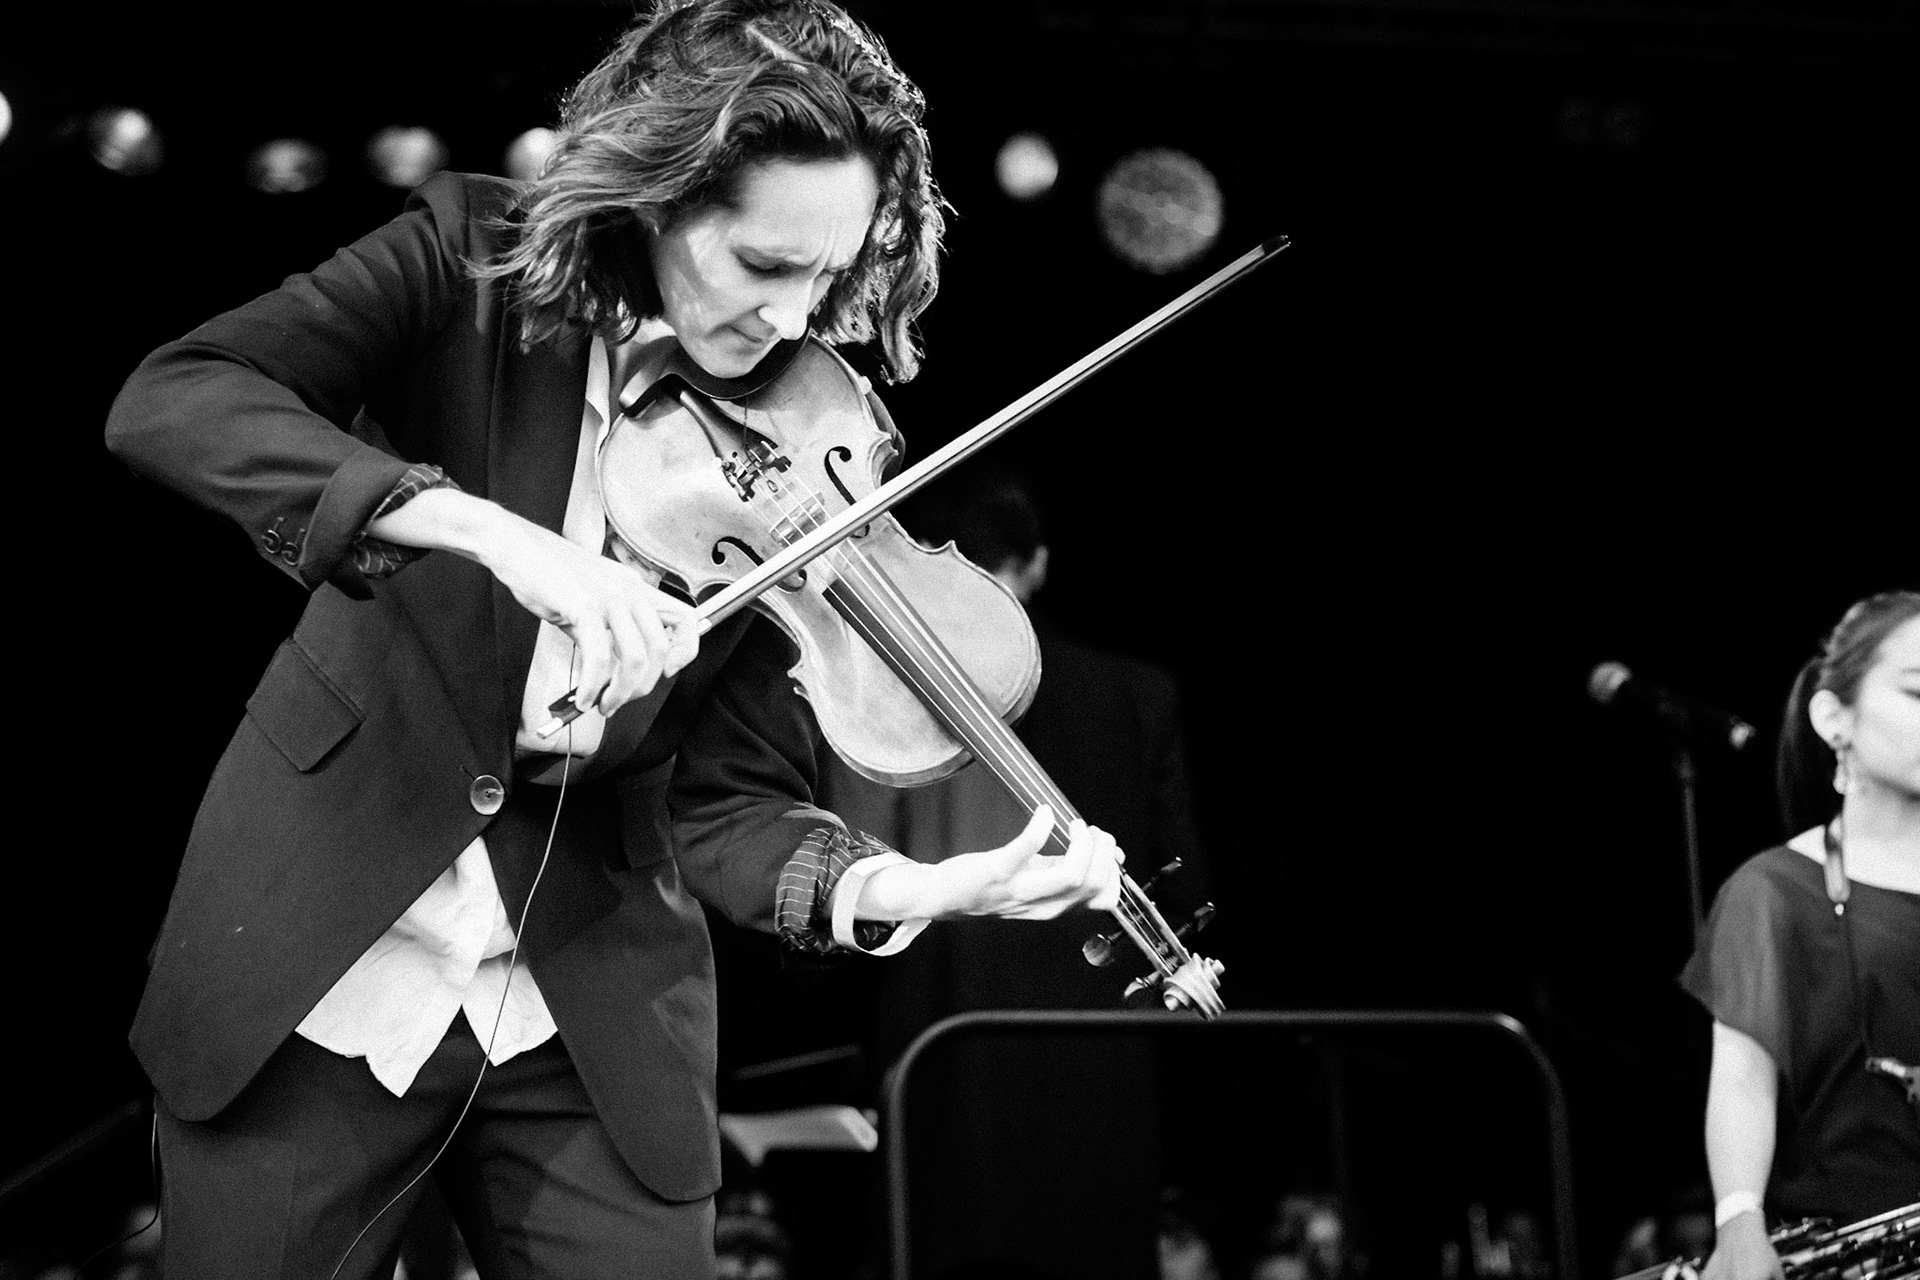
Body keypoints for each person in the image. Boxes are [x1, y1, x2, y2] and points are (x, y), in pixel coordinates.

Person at [99, 3, 1129, 1276]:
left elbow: (726, 797)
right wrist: (484, 530)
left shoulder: (803, 444)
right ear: (659, 195)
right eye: (762, 264)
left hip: (584, 1013)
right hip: (317, 954)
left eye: (825, 279)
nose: (793, 322)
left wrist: (913, 888)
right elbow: (178, 397)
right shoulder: (471, 260)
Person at [814, 460, 1210, 1279]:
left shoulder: (888, 695)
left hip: (944, 1039)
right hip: (1099, 1048)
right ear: (1037, 564)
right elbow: (1186, 888)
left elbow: (847, 875)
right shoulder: (1136, 694)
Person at [1678, 589, 1920, 1280]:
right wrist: (1739, 1223)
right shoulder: (1774, 891)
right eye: (1918, 692)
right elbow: (1742, 1080)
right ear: (1833, 718)